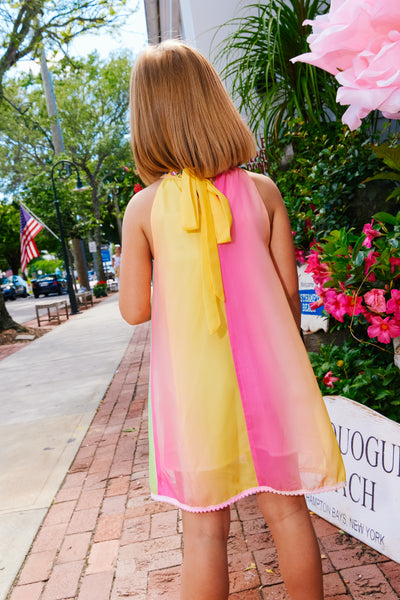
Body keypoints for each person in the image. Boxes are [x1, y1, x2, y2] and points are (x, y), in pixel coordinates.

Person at [119, 41, 346, 600]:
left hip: (197, 391)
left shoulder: (145, 208)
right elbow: (291, 300)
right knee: (289, 514)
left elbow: (134, 310)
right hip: (270, 377)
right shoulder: (263, 191)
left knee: (202, 529)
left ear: (148, 120)